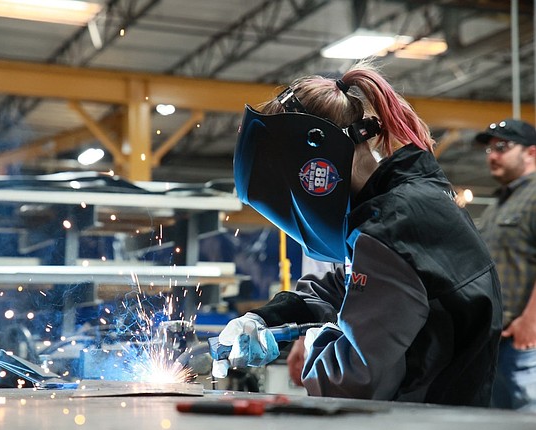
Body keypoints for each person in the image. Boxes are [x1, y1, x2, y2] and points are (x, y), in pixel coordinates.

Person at [212, 61, 502, 407]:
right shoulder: (400, 203)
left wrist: (317, 339)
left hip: (430, 426)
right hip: (434, 414)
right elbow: (345, 286)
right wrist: (265, 319)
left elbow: (350, 382)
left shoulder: (394, 225)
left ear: (316, 162)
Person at [474, 119, 536, 411]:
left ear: (531, 153)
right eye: (490, 149)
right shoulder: (500, 203)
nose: (493, 155)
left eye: (502, 146)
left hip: (526, 342)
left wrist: (531, 321)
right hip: (498, 341)